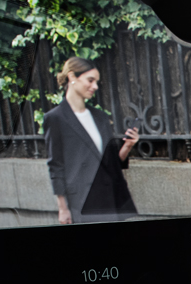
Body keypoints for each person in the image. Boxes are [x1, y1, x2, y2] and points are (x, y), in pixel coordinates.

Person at [44, 57, 140, 224]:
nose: (95, 86)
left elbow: (112, 163)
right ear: (72, 77)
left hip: (110, 197)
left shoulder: (100, 117)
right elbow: (56, 165)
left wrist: (128, 145)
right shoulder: (55, 118)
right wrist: (63, 208)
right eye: (90, 80)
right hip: (83, 201)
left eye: (96, 81)